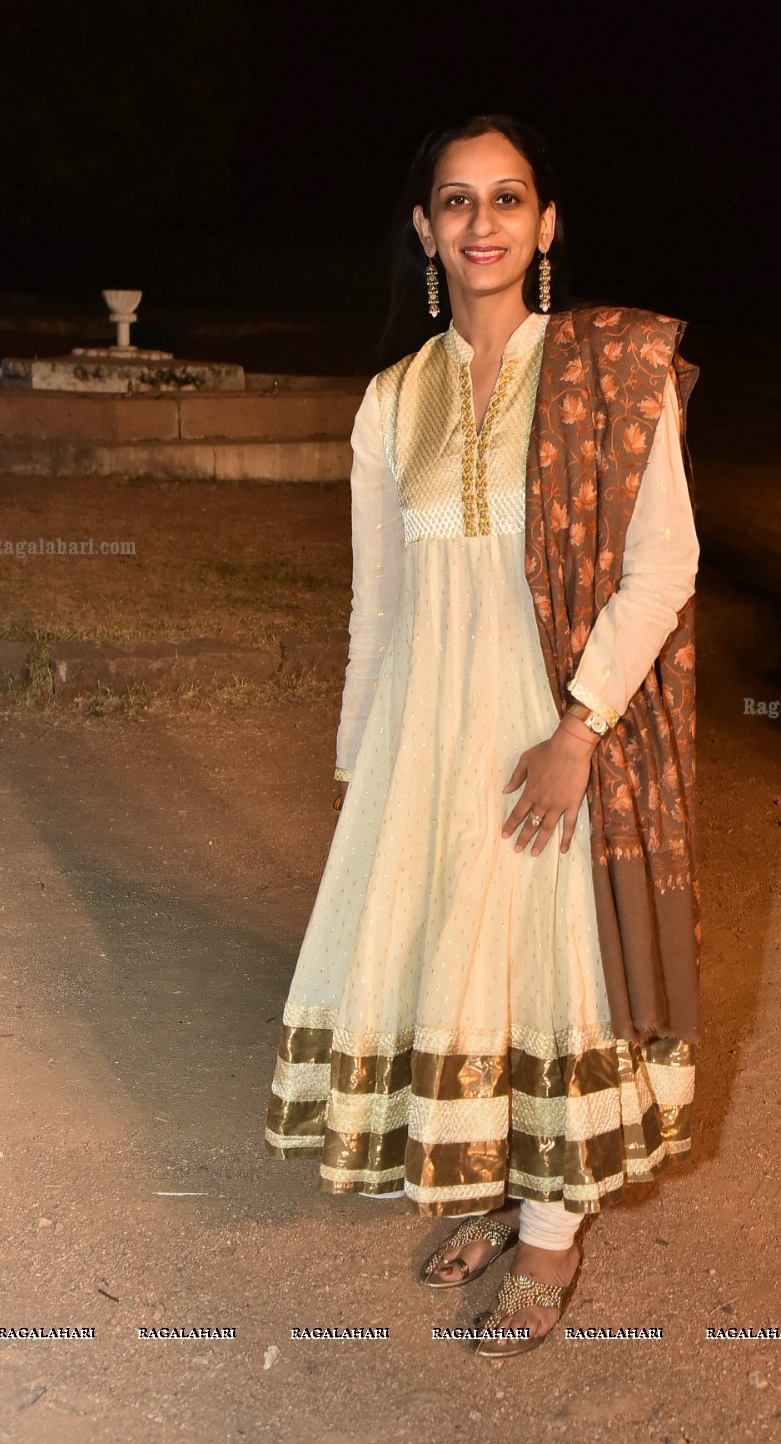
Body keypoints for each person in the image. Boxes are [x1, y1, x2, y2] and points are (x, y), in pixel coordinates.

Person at [263, 115, 701, 1356]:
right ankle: (509, 1188)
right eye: (456, 202)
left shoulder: (613, 373)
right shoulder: (393, 399)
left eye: (508, 199)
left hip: (551, 723)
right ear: (423, 230)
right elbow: (379, 603)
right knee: (466, 956)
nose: (483, 224)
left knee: (555, 966)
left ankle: (553, 1238)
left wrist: (580, 725)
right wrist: (365, 767)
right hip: (429, 733)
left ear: (547, 224)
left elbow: (663, 562)